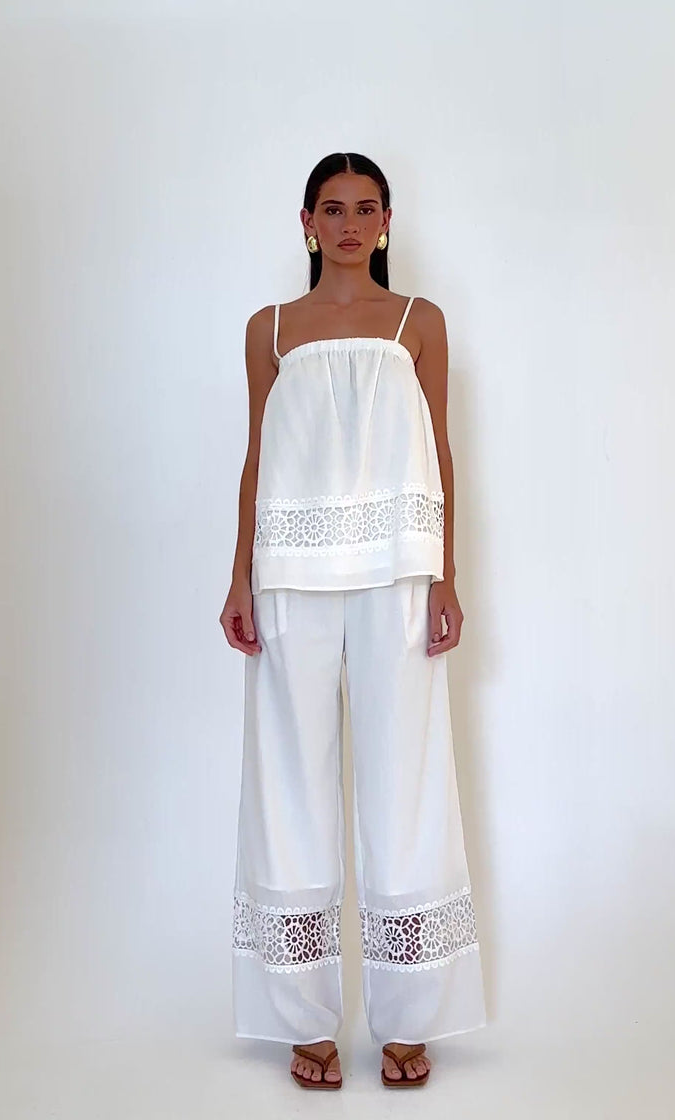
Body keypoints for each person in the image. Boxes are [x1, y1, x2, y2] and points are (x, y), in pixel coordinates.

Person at [220, 151, 487, 1090]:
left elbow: (441, 451)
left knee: (405, 780)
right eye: (331, 209)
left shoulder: (419, 322)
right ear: (307, 222)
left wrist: (446, 577)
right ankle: (304, 1017)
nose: (348, 224)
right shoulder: (270, 329)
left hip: (397, 573)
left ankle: (409, 1014)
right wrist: (240, 577)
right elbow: (257, 457)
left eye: (364, 208)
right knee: (289, 783)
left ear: (386, 222)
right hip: (290, 574)